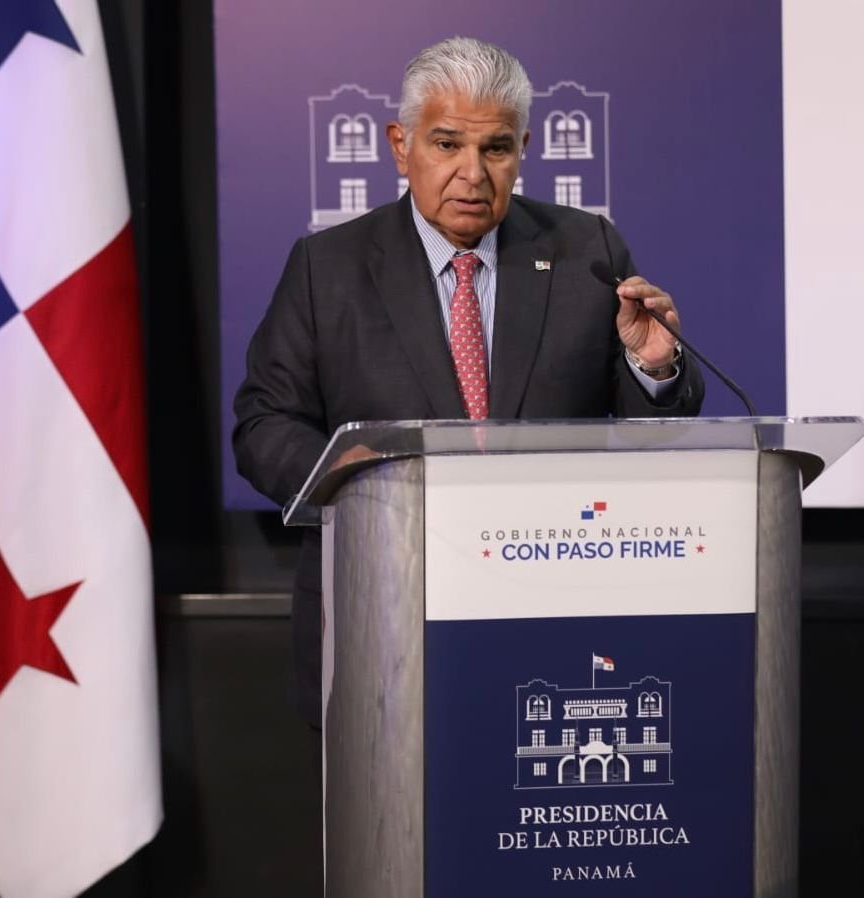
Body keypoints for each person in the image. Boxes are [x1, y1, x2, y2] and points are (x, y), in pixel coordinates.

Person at [232, 36, 704, 726]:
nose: (472, 173)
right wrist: (350, 479)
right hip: (383, 606)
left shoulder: (586, 251)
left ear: (523, 150)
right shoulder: (326, 267)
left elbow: (649, 432)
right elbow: (264, 424)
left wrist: (653, 365)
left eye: (496, 148)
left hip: (551, 607)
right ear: (401, 146)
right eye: (447, 144)